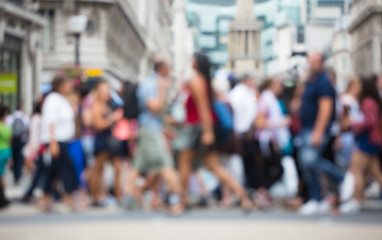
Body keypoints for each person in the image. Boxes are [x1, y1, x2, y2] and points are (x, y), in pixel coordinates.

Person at [178, 53, 252, 211]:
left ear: (196, 63)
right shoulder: (203, 81)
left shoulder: (197, 81)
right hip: (200, 128)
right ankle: (242, 194)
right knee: (214, 166)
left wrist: (207, 132)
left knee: (185, 164)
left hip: (197, 129)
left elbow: (204, 108)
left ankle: (182, 201)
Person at [123, 59, 183, 215]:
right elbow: (155, 107)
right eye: (169, 68)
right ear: (162, 68)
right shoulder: (150, 83)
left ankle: (129, 197)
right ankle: (177, 200)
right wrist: (163, 90)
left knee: (138, 165)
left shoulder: (154, 82)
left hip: (152, 128)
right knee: (165, 163)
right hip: (149, 129)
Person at [298, 52, 344, 215]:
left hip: (315, 129)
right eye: (309, 61)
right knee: (307, 163)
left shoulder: (323, 82)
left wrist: (318, 131)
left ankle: (342, 179)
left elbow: (326, 108)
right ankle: (318, 198)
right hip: (308, 128)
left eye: (313, 61)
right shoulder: (312, 81)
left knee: (309, 160)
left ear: (321, 63)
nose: (310, 64)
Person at [340, 76, 382, 214]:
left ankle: (355, 201)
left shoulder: (367, 102)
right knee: (375, 173)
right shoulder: (365, 101)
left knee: (356, 170)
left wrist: (354, 123)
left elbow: (371, 121)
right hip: (370, 140)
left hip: (367, 140)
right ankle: (356, 199)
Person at [39, 75, 78, 211]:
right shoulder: (53, 99)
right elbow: (51, 121)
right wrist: (53, 142)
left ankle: (46, 198)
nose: (70, 87)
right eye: (68, 84)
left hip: (63, 140)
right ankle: (70, 196)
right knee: (67, 170)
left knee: (53, 172)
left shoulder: (63, 100)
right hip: (56, 141)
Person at [254, 77, 290, 206]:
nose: (281, 88)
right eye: (279, 85)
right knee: (274, 168)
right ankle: (261, 192)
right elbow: (259, 122)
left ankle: (262, 193)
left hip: (271, 139)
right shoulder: (266, 100)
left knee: (272, 168)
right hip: (265, 139)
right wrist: (279, 124)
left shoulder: (272, 100)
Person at [87, 80, 124, 206]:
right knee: (98, 169)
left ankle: (118, 196)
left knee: (117, 167)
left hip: (109, 140)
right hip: (102, 140)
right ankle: (94, 196)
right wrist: (112, 119)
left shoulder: (107, 105)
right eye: (105, 90)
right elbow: (97, 125)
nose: (108, 93)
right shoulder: (96, 105)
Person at [6, 105, 29, 184]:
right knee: (20, 159)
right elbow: (28, 130)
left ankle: (15, 175)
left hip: (13, 141)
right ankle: (18, 176)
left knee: (14, 159)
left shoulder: (10, 117)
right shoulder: (25, 117)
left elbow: (8, 130)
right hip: (22, 141)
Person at [0, 105, 12, 208]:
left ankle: (2, 198)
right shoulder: (7, 128)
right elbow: (10, 141)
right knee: (2, 174)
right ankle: (3, 196)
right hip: (6, 152)